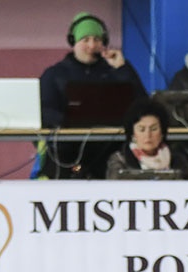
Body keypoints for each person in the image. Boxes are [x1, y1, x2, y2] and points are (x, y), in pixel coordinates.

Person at [37, 12, 147, 179]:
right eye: (85, 40)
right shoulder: (54, 74)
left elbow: (142, 106)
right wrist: (73, 123)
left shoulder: (116, 72)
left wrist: (123, 69)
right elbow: (44, 111)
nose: (91, 45)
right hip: (66, 155)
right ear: (73, 42)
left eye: (97, 40)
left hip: (110, 153)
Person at [106, 98, 188, 179]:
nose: (148, 135)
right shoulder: (120, 161)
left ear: (162, 132)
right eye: (141, 129)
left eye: (154, 129)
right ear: (132, 133)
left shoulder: (177, 160)